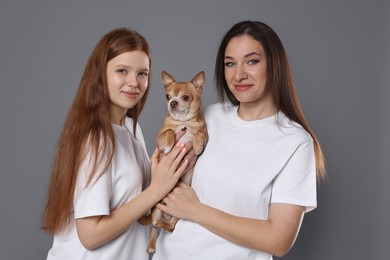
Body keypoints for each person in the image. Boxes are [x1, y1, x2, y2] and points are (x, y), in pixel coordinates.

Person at [153, 20, 326, 259]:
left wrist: (196, 210)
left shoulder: (295, 142)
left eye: (252, 61)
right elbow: (166, 173)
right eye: (230, 64)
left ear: (274, 65)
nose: (239, 74)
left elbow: (278, 241)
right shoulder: (210, 117)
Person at [41, 28, 193, 260]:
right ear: (100, 74)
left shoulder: (131, 129)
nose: (134, 82)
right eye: (122, 71)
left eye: (142, 73)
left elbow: (136, 204)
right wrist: (155, 190)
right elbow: (90, 235)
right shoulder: (96, 138)